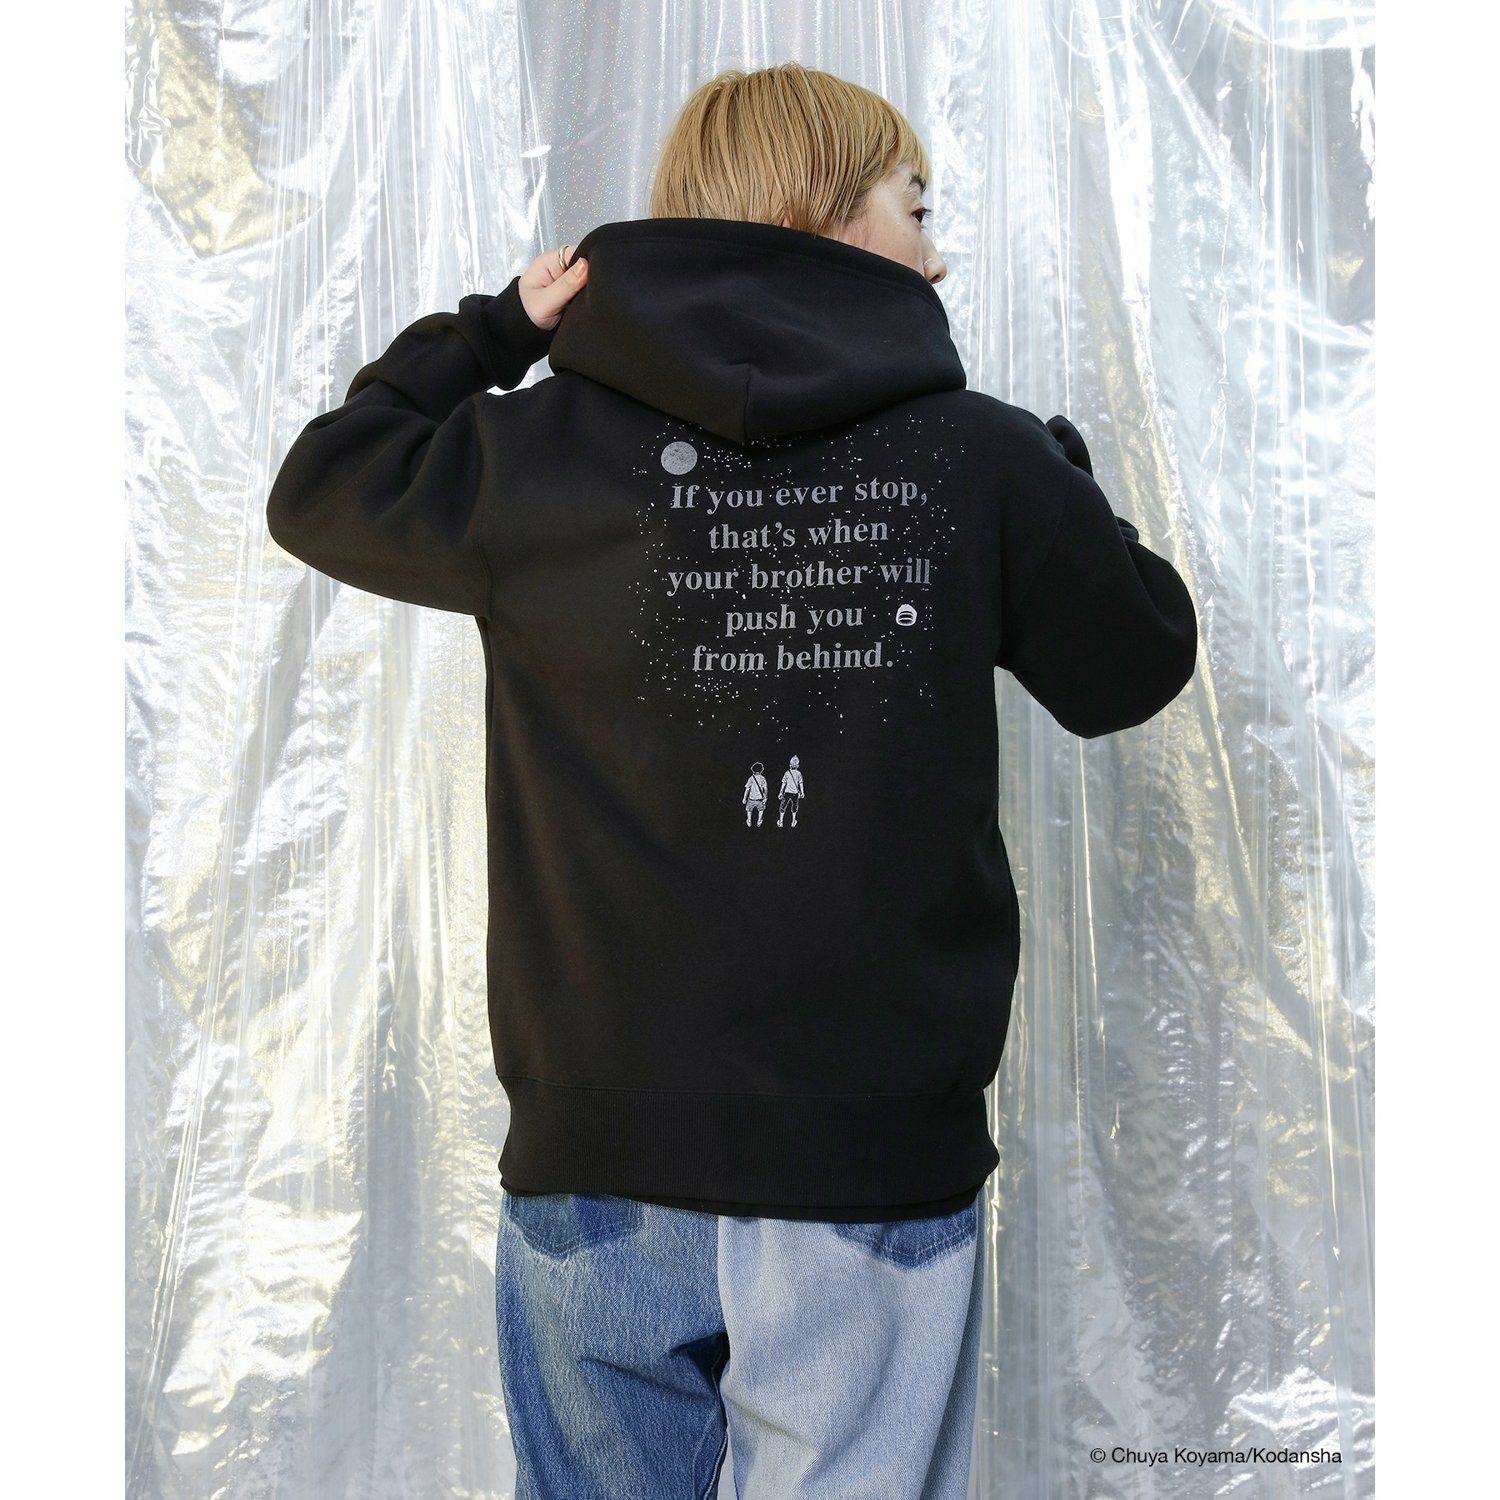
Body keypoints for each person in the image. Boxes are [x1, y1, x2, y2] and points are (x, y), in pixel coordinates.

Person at [266, 60, 1197, 1500]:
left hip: (598, 1149)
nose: (938, 252)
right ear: (817, 211)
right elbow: (1134, 660)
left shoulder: (538, 456)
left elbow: (328, 481)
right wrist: (1060, 480)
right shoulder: (979, 461)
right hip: (866, 1157)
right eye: (915, 205)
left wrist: (497, 332)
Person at [777, 755, 804, 827]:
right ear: (798, 765)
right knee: (794, 807)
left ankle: (781, 822)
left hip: (786, 792)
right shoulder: (799, 773)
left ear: (790, 765)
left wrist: (780, 793)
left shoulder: (787, 773)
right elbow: (801, 784)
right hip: (795, 793)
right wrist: (802, 792)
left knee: (783, 807)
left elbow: (783, 784)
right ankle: (793, 821)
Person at [742, 761, 768, 826]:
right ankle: (759, 821)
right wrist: (765, 797)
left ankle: (749, 821)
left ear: (753, 770)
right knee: (761, 810)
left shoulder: (751, 778)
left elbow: (747, 789)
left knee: (749, 810)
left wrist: (744, 798)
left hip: (751, 798)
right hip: (760, 799)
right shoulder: (762, 778)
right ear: (761, 770)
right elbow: (765, 789)